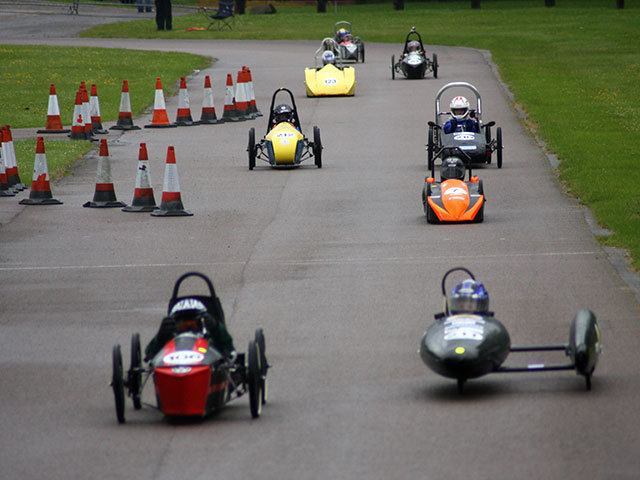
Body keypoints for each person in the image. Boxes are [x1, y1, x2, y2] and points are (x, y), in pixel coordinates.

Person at [144, 297, 235, 362]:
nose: (188, 328)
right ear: (174, 324)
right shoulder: (168, 340)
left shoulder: (210, 340)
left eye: (192, 324)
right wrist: (161, 337)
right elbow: (150, 354)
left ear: (202, 323)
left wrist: (216, 327)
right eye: (183, 325)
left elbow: (228, 348)